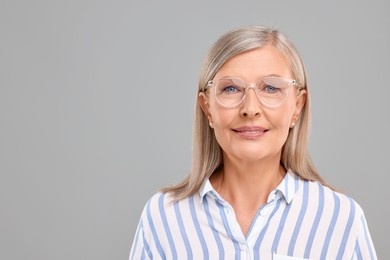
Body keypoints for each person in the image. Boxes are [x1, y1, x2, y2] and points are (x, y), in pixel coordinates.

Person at [129, 25, 377, 259]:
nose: (250, 109)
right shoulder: (163, 217)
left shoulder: (340, 218)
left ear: (297, 107)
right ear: (207, 109)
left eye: (270, 88)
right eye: (231, 89)